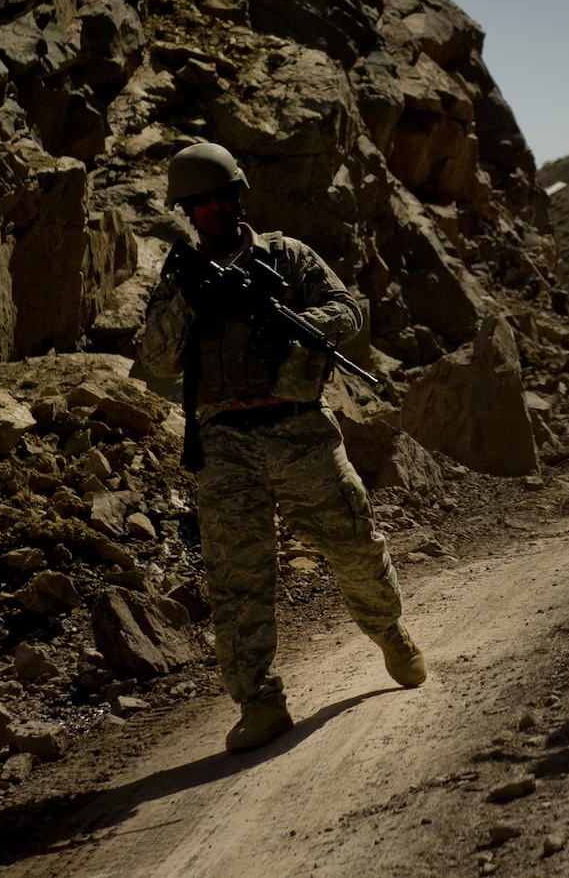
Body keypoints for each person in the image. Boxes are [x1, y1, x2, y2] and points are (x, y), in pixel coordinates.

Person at [139, 142, 426, 752]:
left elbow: (347, 306)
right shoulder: (180, 274)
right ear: (187, 210)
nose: (214, 208)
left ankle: (390, 633)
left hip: (300, 431)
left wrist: (300, 331)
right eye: (201, 202)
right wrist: (191, 301)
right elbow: (157, 358)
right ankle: (260, 702)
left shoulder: (287, 256)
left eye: (222, 197)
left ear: (238, 196)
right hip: (223, 444)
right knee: (235, 578)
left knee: (352, 543)